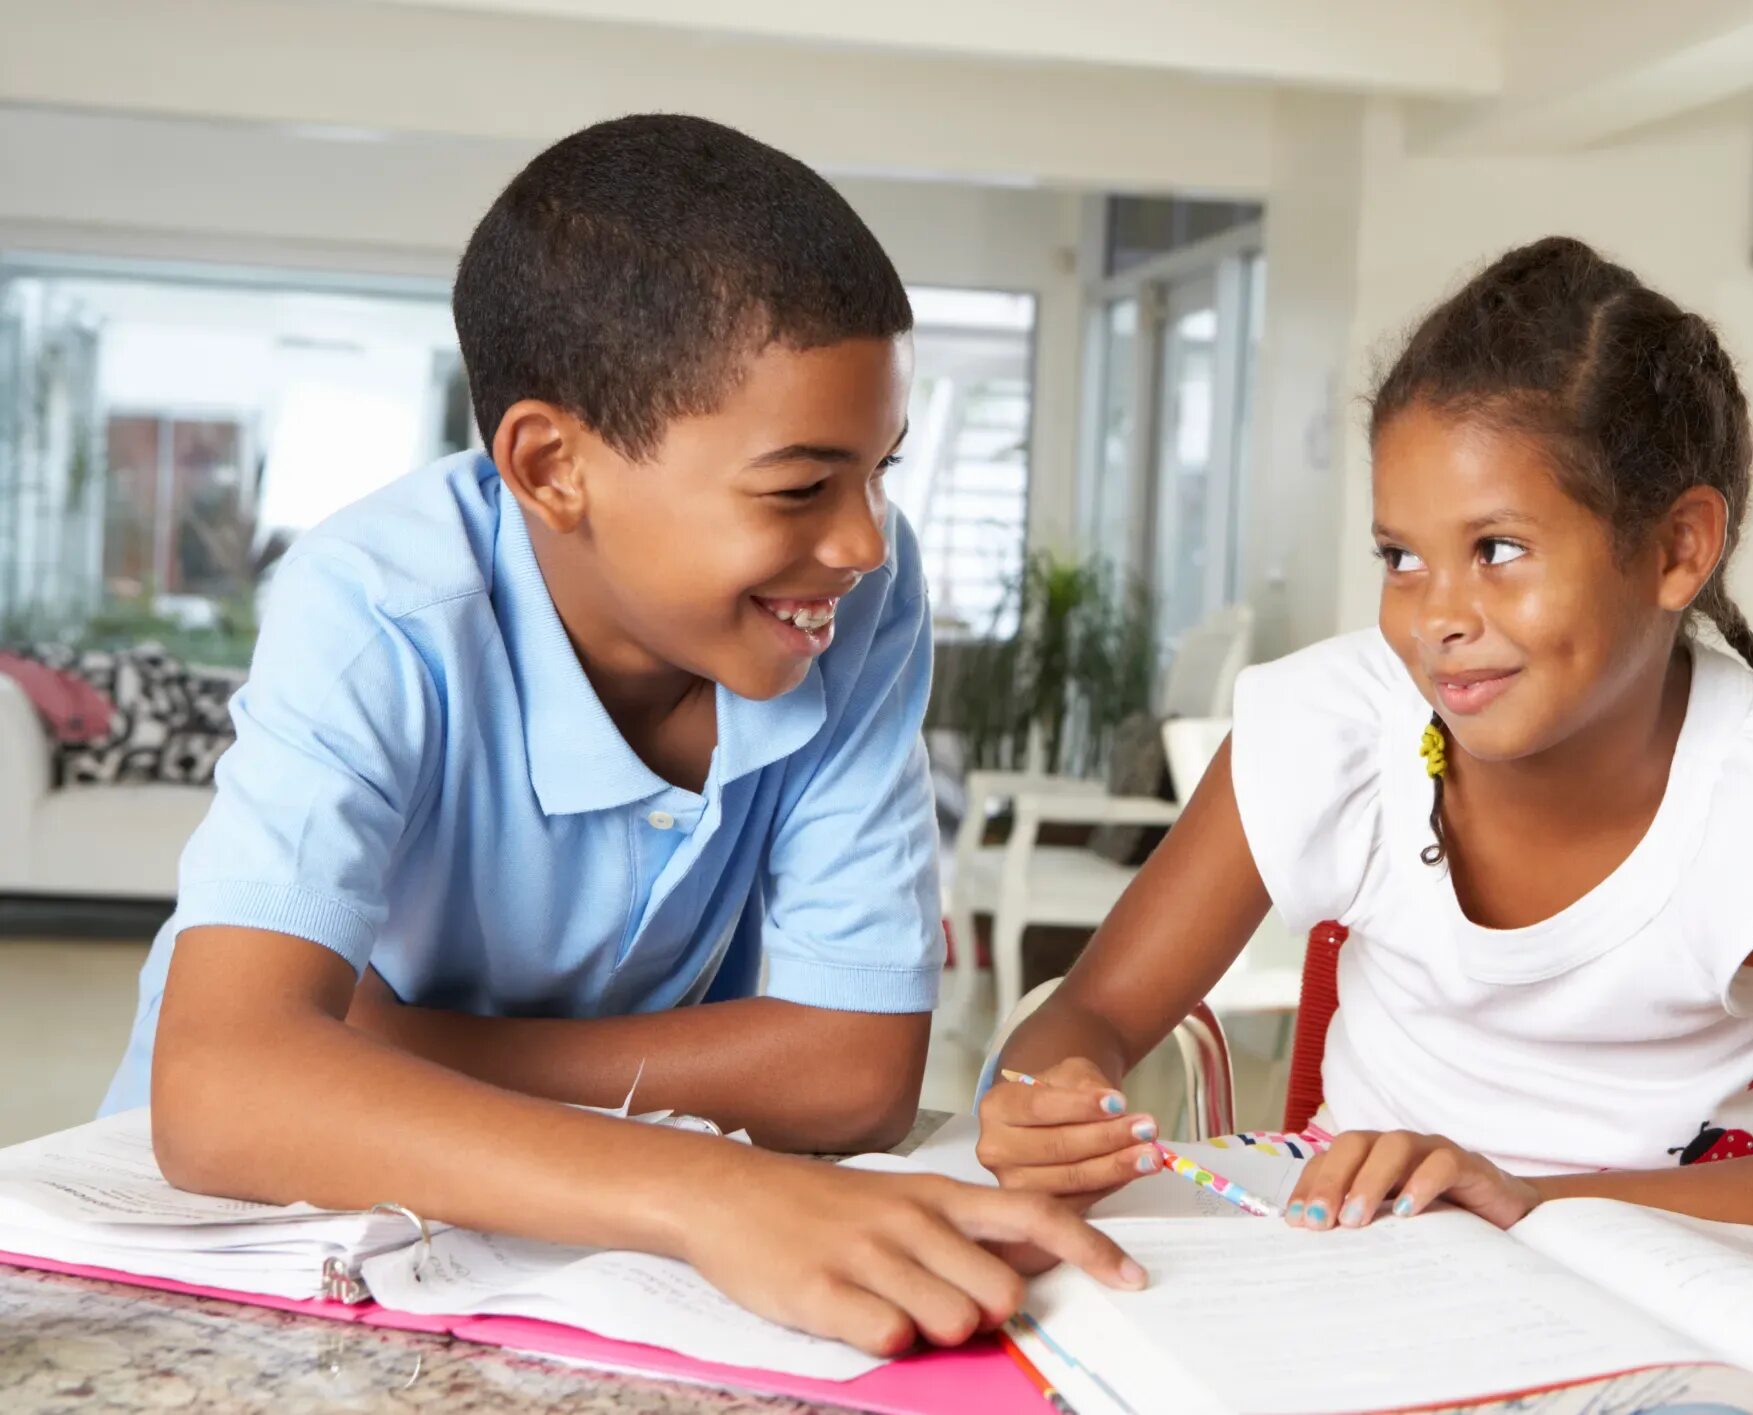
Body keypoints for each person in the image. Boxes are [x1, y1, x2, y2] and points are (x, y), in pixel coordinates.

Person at [107, 113, 1142, 1357]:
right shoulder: (377, 603)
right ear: (551, 467)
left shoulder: (853, 598)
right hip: (257, 1249)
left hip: (568, 1254)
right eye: (801, 484)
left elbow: (851, 1072)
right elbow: (225, 1090)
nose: (865, 539)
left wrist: (386, 1053)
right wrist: (711, 1186)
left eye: (883, 470)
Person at [977, 237, 1753, 1262]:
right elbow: (1091, 1009)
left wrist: (1527, 1201)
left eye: (1498, 550)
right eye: (1401, 557)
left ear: (1676, 548)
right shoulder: (1333, 728)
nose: (1437, 616)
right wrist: (1045, 1092)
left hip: (1668, 1304)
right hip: (1365, 1281)